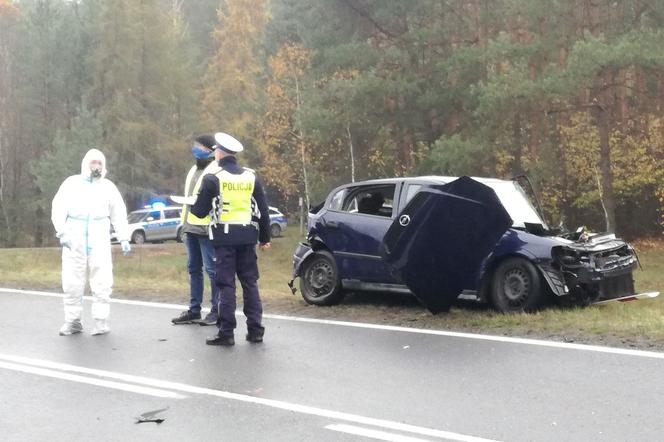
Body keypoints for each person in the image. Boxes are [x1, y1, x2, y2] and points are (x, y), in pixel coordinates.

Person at [190, 132, 271, 346]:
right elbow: (262, 209)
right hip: (247, 238)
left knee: (226, 285)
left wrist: (193, 202)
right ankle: (256, 330)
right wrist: (265, 238)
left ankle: (226, 333)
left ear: (219, 153)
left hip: (224, 240)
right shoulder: (251, 177)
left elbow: (199, 212)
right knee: (250, 283)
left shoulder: (213, 178)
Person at [51, 148, 131, 336]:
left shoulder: (108, 187)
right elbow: (58, 208)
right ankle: (73, 320)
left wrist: (124, 236)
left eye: (99, 163)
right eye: (93, 162)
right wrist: (62, 232)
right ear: (85, 163)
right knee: (72, 279)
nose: (96, 166)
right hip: (74, 235)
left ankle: (101, 321)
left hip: (99, 235)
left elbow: (118, 213)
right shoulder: (71, 184)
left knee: (102, 278)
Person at [171, 134, 221, 326]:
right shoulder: (193, 169)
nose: (195, 148)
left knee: (212, 270)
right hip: (190, 226)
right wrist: (183, 226)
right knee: (193, 269)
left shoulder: (216, 169)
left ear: (209, 149)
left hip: (207, 228)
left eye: (199, 146)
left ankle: (216, 310)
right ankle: (194, 310)